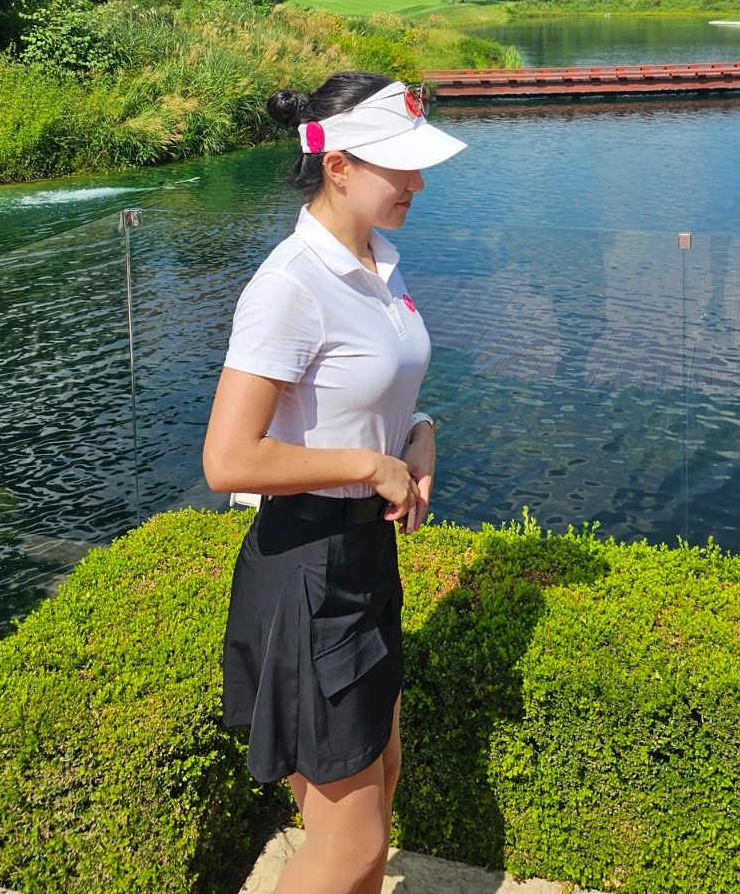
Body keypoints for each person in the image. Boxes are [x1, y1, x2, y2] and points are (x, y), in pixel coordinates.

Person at [203, 72, 465, 894]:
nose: (418, 184)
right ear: (340, 164)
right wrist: (368, 464)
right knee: (346, 846)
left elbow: (378, 401)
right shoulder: (291, 284)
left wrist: (416, 438)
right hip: (310, 571)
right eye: (401, 167)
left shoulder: (378, 263)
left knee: (376, 797)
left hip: (363, 561)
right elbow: (228, 460)